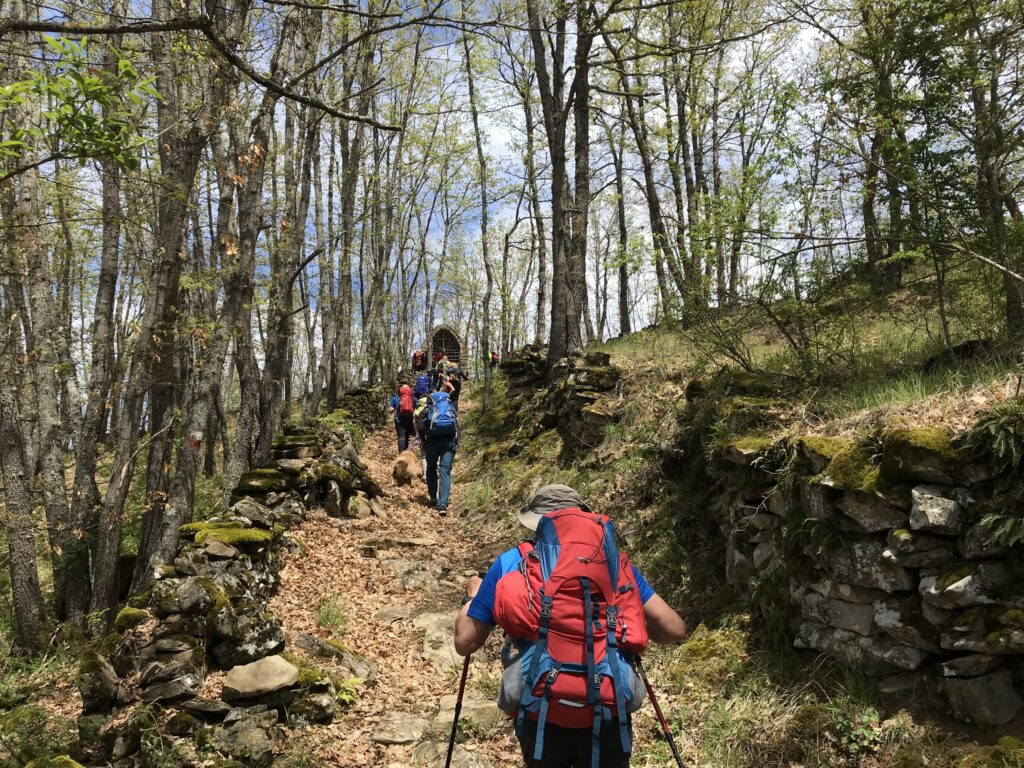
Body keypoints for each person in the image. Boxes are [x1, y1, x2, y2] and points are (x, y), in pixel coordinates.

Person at [454, 485, 687, 768]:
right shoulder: (612, 565)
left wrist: (474, 597)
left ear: (537, 523)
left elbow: (466, 642)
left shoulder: (512, 561)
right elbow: (674, 630)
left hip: (540, 715)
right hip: (608, 711)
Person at [422, 388, 458, 515]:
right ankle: (442, 505)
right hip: (448, 443)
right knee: (445, 471)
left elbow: (421, 426)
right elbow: (456, 427)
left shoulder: (428, 409)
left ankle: (433, 498)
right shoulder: (450, 409)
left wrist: (424, 440)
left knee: (431, 468)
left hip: (432, 442)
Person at [387, 384, 417, 453]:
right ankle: (409, 454)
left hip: (400, 421)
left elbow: (390, 410)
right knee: (409, 436)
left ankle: (401, 455)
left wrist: (393, 409)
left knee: (402, 437)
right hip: (411, 421)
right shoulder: (413, 398)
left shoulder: (396, 398)